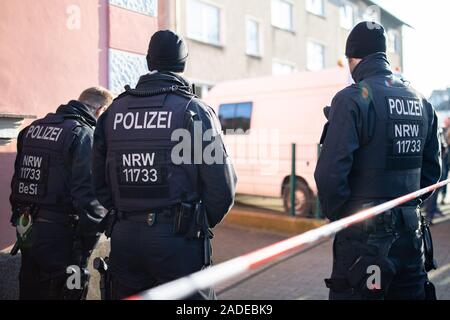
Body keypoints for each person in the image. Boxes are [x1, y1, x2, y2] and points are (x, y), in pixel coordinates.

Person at [92, 30, 237, 300]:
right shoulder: (193, 111)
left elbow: (98, 182)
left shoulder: (112, 113)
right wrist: (195, 223)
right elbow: (221, 188)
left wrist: (121, 216)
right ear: (182, 64)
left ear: (149, 62)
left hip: (125, 238)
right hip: (179, 241)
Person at [314, 22, 441, 300]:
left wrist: (343, 218)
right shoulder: (421, 102)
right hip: (412, 239)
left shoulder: (351, 99)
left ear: (353, 59)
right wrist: (405, 207)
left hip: (364, 241)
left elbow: (330, 175)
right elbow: (433, 173)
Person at [9, 87, 114, 300]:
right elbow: (89, 199)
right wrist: (86, 245)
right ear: (101, 111)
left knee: (30, 289)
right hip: (63, 237)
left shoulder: (32, 129)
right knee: (69, 292)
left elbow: (17, 183)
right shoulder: (84, 135)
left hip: (26, 228)